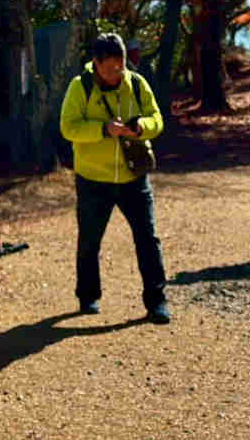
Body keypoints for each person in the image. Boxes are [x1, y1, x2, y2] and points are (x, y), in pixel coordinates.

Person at [57, 31, 172, 321]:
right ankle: (88, 296)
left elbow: (157, 119)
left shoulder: (136, 83)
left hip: (134, 177)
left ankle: (157, 301)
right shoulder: (79, 87)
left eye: (120, 65)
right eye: (109, 68)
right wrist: (102, 130)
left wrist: (140, 128)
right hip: (93, 179)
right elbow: (68, 128)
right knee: (89, 240)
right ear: (95, 63)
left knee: (148, 238)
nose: (116, 73)